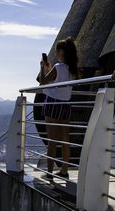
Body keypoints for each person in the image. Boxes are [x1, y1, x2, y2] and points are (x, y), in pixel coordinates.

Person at [39, 37, 79, 180]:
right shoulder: (72, 69)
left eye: (57, 50)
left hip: (52, 104)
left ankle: (49, 174)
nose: (56, 52)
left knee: (52, 140)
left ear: (62, 52)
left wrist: (43, 67)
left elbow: (43, 83)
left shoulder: (58, 67)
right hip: (65, 105)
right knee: (64, 140)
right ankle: (64, 171)